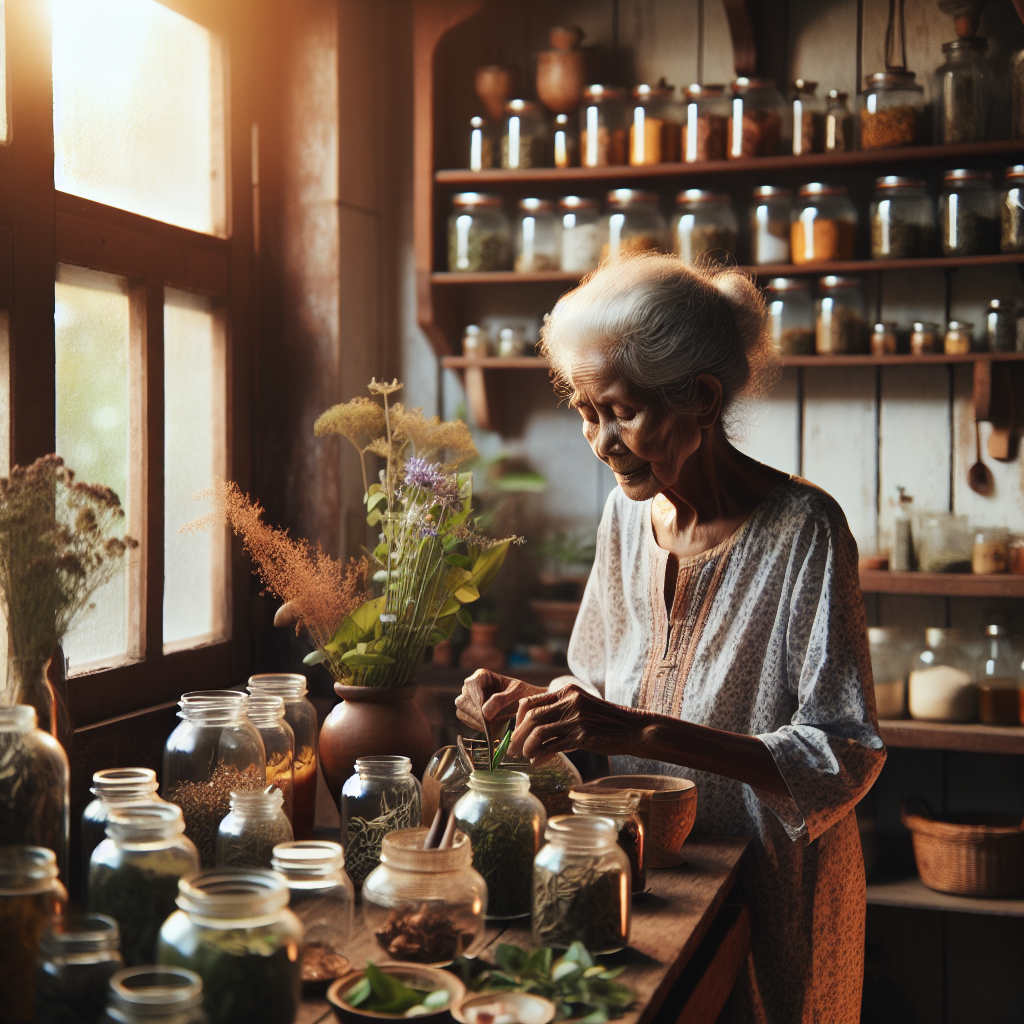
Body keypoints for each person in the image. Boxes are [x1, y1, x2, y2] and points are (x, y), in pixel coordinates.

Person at [455, 254, 885, 1024]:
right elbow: (597, 693)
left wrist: (638, 729)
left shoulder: (805, 530)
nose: (599, 440)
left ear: (702, 398)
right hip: (645, 876)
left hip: (773, 884)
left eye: (619, 411)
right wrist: (543, 708)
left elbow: (843, 752)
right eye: (585, 412)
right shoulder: (627, 517)